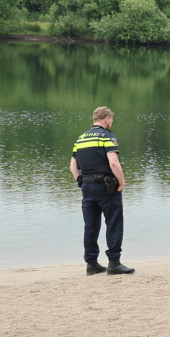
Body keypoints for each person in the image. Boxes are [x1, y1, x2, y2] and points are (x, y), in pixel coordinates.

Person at [69, 106, 134, 275]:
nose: (111, 122)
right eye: (111, 120)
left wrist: (80, 181)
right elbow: (113, 162)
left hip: (87, 187)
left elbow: (73, 167)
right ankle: (114, 263)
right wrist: (122, 182)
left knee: (91, 226)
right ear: (107, 119)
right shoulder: (107, 136)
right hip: (106, 187)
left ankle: (91, 264)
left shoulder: (80, 139)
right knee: (114, 223)